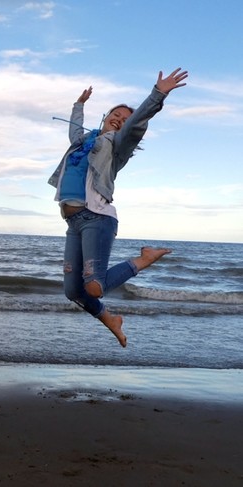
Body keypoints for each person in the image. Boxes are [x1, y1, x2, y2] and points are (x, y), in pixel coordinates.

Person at [48, 68, 188, 348]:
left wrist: (157, 95)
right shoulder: (82, 142)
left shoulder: (116, 147)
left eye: (124, 120)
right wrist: (79, 104)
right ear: (106, 116)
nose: (119, 119)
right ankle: (110, 319)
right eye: (115, 114)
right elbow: (75, 129)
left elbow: (137, 123)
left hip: (97, 218)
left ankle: (143, 259)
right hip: (73, 222)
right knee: (73, 291)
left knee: (94, 287)